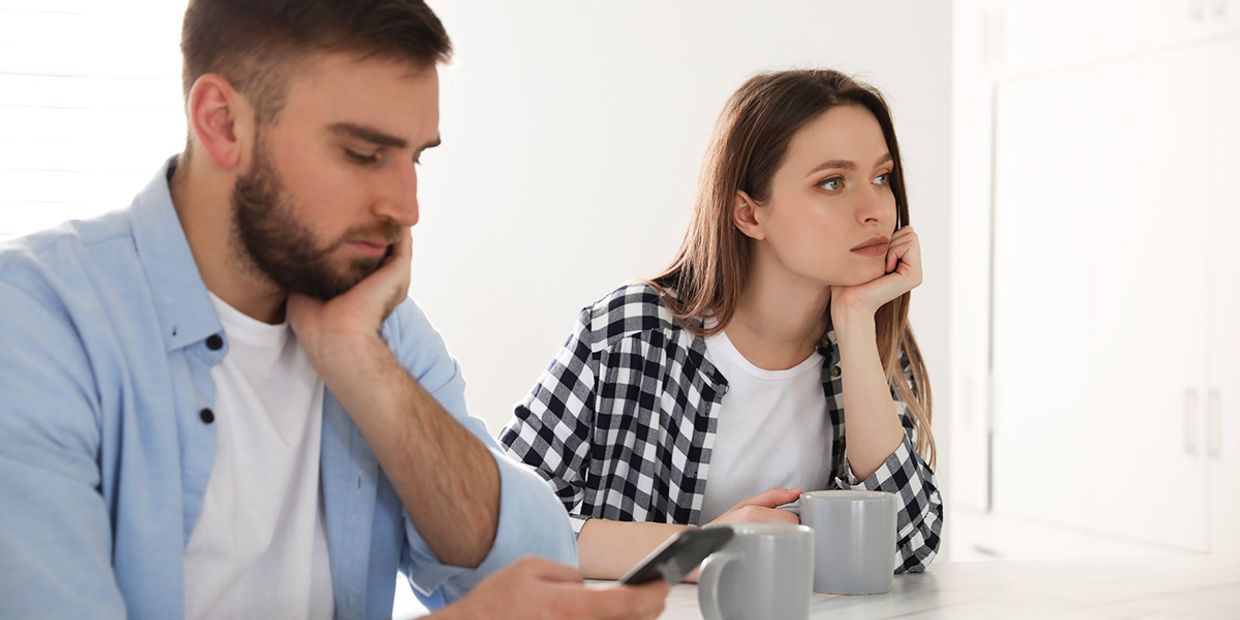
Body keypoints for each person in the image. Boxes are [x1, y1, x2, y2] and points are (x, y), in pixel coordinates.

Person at [0, 1, 667, 618]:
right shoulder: (36, 320)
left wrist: (356, 358)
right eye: (362, 154)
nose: (407, 210)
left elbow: (535, 564)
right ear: (222, 123)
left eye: (414, 159)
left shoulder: (373, 321)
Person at [500, 69, 943, 579]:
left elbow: (908, 547)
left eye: (882, 177)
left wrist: (856, 319)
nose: (875, 211)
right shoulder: (629, 333)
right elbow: (500, 523)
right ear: (748, 214)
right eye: (832, 183)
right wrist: (709, 549)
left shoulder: (871, 344)